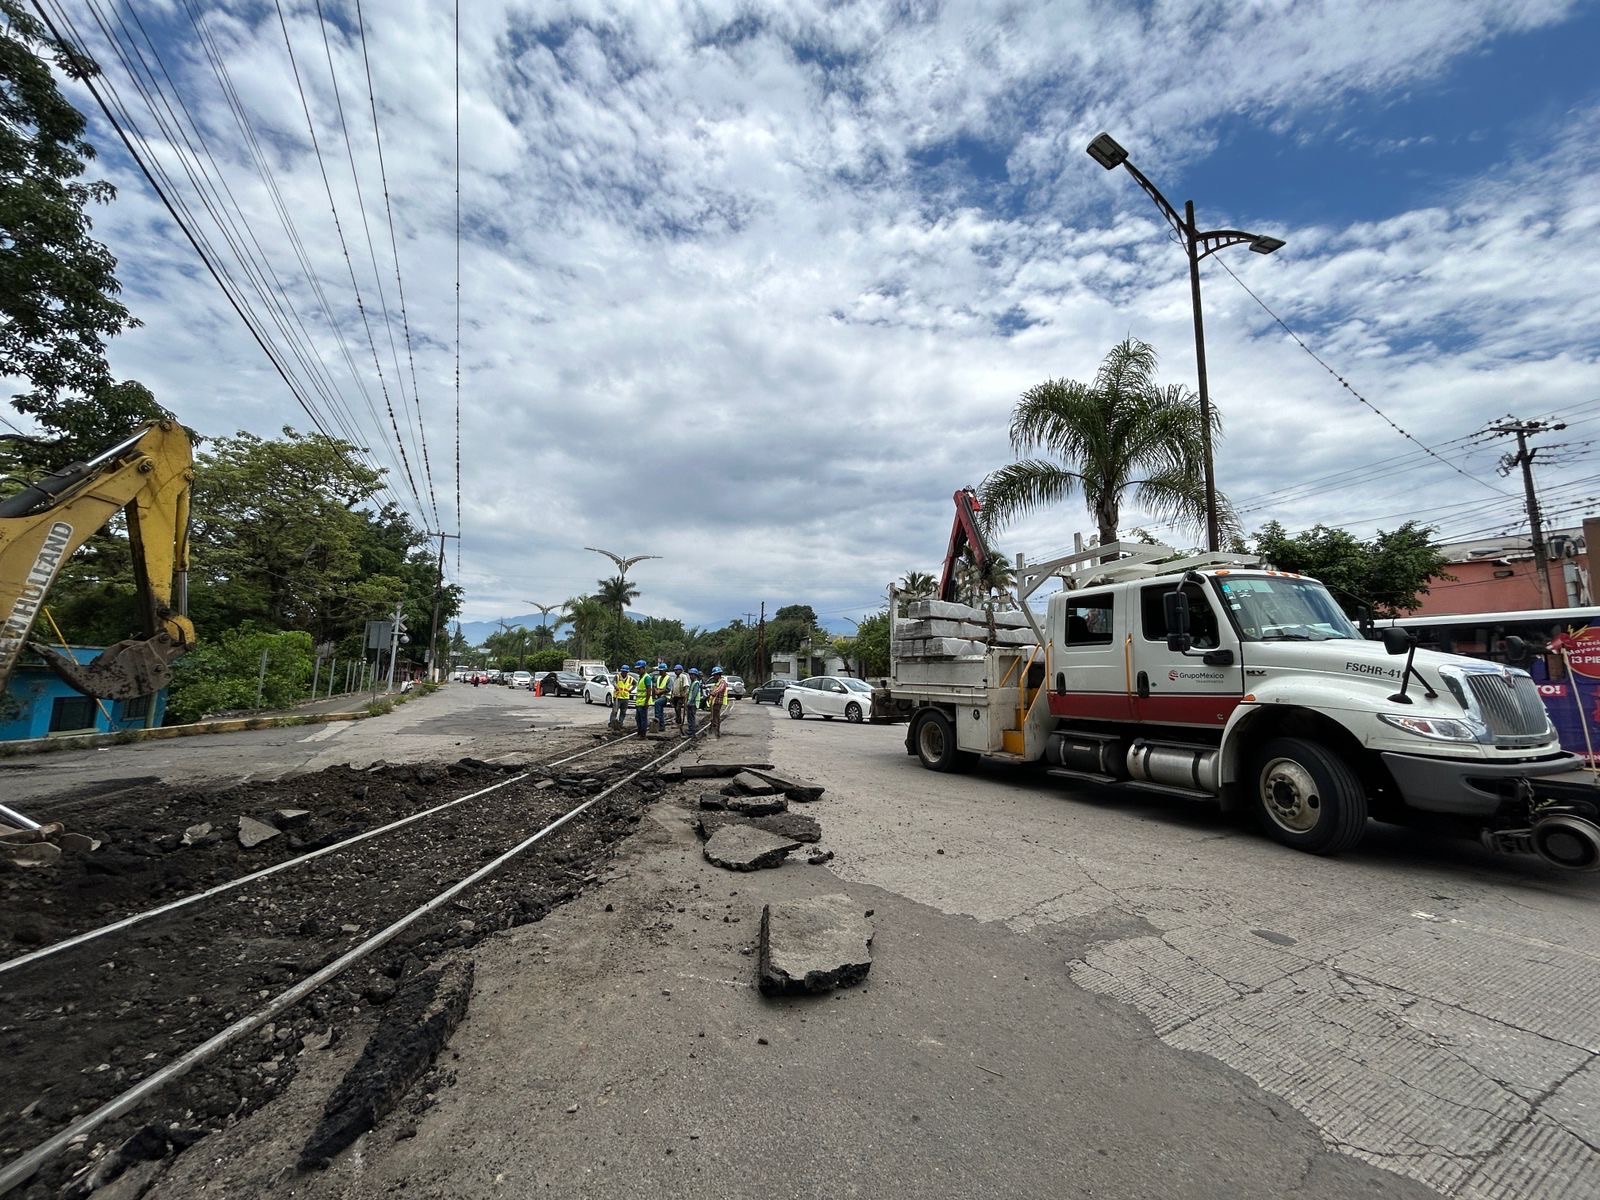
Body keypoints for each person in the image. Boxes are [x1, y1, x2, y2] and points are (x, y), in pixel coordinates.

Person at [707, 666, 729, 739]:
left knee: (716, 718)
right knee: (714, 717)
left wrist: (713, 693)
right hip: (715, 702)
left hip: (718, 702)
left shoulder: (722, 682)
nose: (713, 677)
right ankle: (714, 732)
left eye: (714, 675)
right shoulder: (718, 682)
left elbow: (720, 689)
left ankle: (716, 733)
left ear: (718, 675)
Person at [610, 664, 633, 731]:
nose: (624, 673)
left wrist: (630, 690)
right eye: (623, 672)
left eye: (625, 672)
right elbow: (613, 682)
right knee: (615, 711)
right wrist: (615, 686)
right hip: (618, 697)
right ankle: (612, 723)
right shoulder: (617, 676)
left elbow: (635, 683)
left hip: (625, 697)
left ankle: (620, 723)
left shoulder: (630, 678)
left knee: (623, 712)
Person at [634, 659, 652, 738]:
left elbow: (648, 691)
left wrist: (646, 702)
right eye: (637, 669)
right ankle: (639, 732)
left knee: (643, 719)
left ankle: (642, 734)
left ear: (643, 668)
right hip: (639, 702)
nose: (638, 670)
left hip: (643, 702)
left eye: (639, 669)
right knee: (638, 718)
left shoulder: (646, 677)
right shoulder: (640, 677)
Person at [683, 667, 702, 738]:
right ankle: (690, 730)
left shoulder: (696, 683)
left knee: (691, 718)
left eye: (692, 675)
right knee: (689, 718)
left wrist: (689, 702)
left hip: (693, 704)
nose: (690, 676)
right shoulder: (693, 683)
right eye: (690, 675)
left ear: (695, 675)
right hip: (690, 703)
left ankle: (692, 732)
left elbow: (694, 694)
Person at [651, 661, 670, 731]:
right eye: (659, 671)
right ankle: (661, 726)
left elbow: (668, 688)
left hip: (666, 696)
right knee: (660, 710)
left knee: (657, 703)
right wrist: (655, 690)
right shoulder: (658, 678)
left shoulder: (668, 678)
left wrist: (660, 691)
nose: (660, 672)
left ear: (665, 671)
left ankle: (657, 719)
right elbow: (655, 685)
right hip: (659, 696)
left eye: (661, 671)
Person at [669, 664, 688, 731]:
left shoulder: (683, 677)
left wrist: (684, 694)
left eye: (677, 670)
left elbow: (686, 686)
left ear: (681, 670)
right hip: (675, 696)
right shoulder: (675, 678)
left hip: (680, 696)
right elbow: (673, 687)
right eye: (675, 670)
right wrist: (672, 696)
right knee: (676, 709)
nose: (675, 671)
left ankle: (679, 722)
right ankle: (678, 721)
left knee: (678, 709)